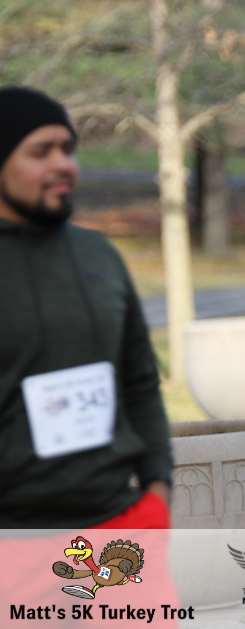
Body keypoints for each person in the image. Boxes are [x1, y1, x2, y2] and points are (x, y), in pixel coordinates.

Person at [0, 86, 173, 531]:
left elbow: (139, 381)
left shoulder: (98, 255)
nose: (64, 164)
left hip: (118, 529)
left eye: (67, 149)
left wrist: (158, 488)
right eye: (41, 152)